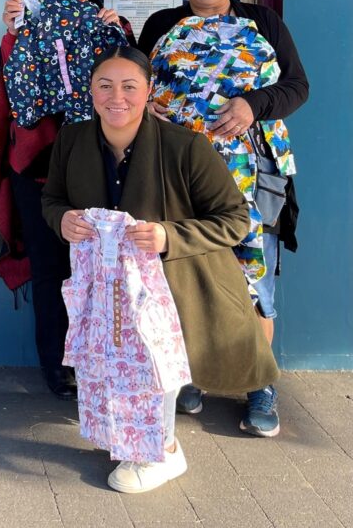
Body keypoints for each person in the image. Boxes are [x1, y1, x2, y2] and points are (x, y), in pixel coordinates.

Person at [42, 46, 278, 494]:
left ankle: (163, 452)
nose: (117, 97)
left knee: (156, 368)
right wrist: (62, 219)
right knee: (110, 368)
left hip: (171, 286)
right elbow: (52, 199)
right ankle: (129, 442)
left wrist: (170, 237)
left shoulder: (185, 146)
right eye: (105, 85)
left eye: (130, 86)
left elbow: (233, 218)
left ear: (148, 90)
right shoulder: (71, 141)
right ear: (90, 91)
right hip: (103, 287)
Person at [138, 0, 308, 436]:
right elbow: (140, 83)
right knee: (185, 275)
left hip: (253, 175)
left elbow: (297, 87)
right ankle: (189, 375)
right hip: (182, 175)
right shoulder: (162, 24)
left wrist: (250, 105)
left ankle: (260, 386)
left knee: (255, 283)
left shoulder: (263, 22)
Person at [0, 0, 134, 400]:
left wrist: (119, 37)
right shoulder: (28, 21)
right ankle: (58, 363)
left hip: (99, 167)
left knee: (104, 269)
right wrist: (12, 32)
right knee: (52, 269)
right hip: (40, 166)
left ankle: (104, 358)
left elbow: (136, 86)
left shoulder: (114, 25)